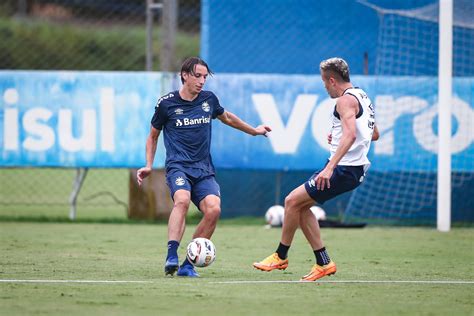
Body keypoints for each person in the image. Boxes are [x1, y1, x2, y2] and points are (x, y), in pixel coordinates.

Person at [137, 57, 271, 277]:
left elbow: (227, 117)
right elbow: (153, 136)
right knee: (181, 200)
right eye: (197, 76)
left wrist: (254, 131)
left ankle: (188, 265)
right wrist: (149, 165)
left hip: (203, 169)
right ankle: (171, 255)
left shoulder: (208, 99)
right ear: (185, 75)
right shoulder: (166, 103)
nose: (201, 81)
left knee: (214, 209)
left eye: (205, 77)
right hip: (178, 166)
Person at [253, 57, 379, 281]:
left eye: (324, 82)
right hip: (351, 168)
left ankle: (281, 256)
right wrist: (339, 134)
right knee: (301, 207)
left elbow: (351, 135)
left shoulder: (344, 101)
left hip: (343, 168)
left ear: (332, 80)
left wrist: (330, 167)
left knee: (292, 201)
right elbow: (374, 134)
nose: (324, 87)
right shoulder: (362, 96)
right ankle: (323, 262)